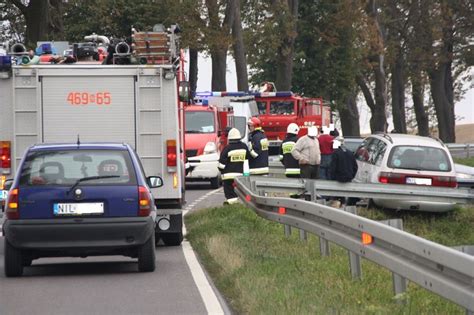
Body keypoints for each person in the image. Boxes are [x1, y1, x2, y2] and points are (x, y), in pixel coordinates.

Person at [218, 128, 251, 205]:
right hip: (240, 176)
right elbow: (248, 158)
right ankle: (234, 205)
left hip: (227, 176)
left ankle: (231, 205)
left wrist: (221, 170)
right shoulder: (244, 147)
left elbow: (221, 165)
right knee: (238, 192)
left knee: (229, 194)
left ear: (229, 138)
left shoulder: (227, 149)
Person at [329, 137, 359, 207]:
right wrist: (351, 176)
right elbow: (355, 167)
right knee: (344, 195)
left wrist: (332, 178)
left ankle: (339, 206)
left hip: (338, 179)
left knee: (337, 196)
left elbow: (333, 168)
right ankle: (344, 205)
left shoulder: (335, 153)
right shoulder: (350, 153)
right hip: (348, 178)